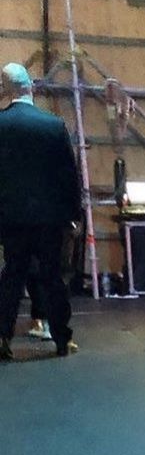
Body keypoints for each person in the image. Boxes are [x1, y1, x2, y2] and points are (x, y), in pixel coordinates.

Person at [0, 63, 81, 361]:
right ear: (31, 87)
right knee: (52, 277)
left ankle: (2, 336)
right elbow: (69, 176)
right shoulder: (53, 126)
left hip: (11, 219)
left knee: (12, 275)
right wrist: (73, 215)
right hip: (50, 219)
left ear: (6, 90)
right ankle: (61, 339)